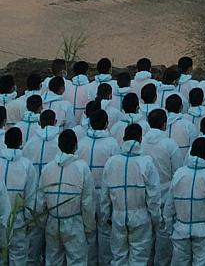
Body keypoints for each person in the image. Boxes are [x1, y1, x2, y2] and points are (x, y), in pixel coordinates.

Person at [102, 124, 163, 266]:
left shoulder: (112, 162)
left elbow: (105, 195)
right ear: (141, 139)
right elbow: (153, 196)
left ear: (123, 139)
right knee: (139, 259)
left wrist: (106, 216)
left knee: (118, 257)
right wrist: (156, 219)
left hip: (117, 216)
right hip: (141, 217)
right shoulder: (146, 162)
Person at [39, 129, 96, 266]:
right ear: (76, 145)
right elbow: (87, 202)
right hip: (74, 222)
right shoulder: (82, 168)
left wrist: (43, 223)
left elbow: (40, 201)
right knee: (77, 261)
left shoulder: (47, 168)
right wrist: (89, 227)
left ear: (58, 146)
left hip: (52, 221)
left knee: (53, 260)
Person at [166, 137, 205, 266]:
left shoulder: (179, 174)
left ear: (190, 152)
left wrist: (169, 228)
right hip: (203, 231)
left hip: (181, 229)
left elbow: (169, 205)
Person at [77, 111, 120, 263]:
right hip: (104, 195)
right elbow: (116, 172)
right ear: (106, 123)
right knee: (106, 234)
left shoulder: (81, 143)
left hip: (85, 196)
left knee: (86, 233)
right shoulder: (112, 144)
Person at [0, 126, 40, 266]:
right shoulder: (27, 166)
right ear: (21, 142)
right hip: (18, 221)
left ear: (5, 142)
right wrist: (29, 220)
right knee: (18, 258)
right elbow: (31, 197)